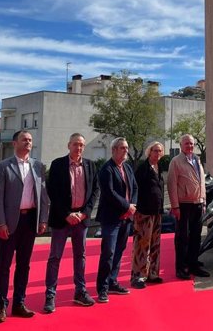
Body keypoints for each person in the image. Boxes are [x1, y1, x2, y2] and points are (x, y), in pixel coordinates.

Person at [0, 130, 50, 324]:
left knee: (24, 265)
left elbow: (43, 196)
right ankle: (1, 306)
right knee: (4, 266)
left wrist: (43, 219)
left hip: (29, 221)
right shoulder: (3, 166)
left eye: (31, 140)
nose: (28, 142)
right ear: (15, 143)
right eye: (24, 139)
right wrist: (0, 223)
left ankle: (19, 303)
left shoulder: (38, 166)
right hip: (9, 223)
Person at [44, 133, 99, 313]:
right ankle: (50, 295)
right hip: (62, 219)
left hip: (81, 220)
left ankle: (80, 291)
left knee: (80, 256)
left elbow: (94, 192)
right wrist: (67, 214)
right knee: (55, 257)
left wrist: (84, 213)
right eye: (75, 144)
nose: (79, 148)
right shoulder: (58, 164)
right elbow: (53, 192)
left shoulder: (91, 165)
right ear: (69, 145)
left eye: (82, 145)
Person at [95, 137, 137, 303]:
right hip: (112, 218)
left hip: (126, 218)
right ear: (113, 150)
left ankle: (113, 281)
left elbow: (134, 187)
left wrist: (132, 205)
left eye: (126, 148)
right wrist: (127, 206)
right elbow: (110, 193)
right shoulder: (107, 169)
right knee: (108, 253)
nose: (125, 151)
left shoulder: (127, 167)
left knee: (119, 251)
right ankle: (102, 288)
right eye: (122, 148)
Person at [167, 134, 209, 279]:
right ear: (181, 145)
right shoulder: (176, 161)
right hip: (183, 205)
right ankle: (181, 268)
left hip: (198, 204)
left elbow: (202, 182)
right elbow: (171, 184)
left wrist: (203, 200)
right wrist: (175, 206)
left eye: (191, 144)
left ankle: (193, 264)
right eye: (187, 144)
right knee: (182, 237)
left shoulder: (197, 159)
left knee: (196, 237)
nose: (190, 146)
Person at [130, 141, 165, 289]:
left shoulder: (159, 168)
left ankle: (153, 273)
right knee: (142, 245)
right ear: (149, 152)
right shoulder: (143, 169)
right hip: (144, 213)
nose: (157, 154)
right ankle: (138, 276)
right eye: (155, 151)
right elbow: (135, 189)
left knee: (155, 244)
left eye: (160, 151)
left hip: (157, 213)